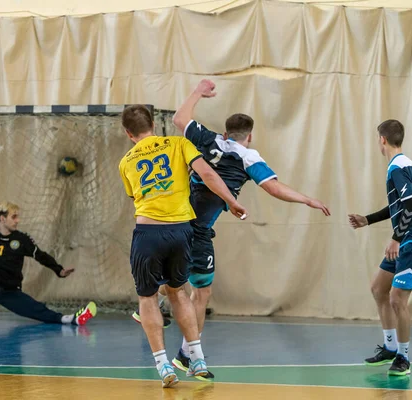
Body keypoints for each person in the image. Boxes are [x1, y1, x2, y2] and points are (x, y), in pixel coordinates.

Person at [134, 79, 330, 378]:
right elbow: (274, 188)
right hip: (196, 232)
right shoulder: (248, 156)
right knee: (201, 291)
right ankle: (188, 356)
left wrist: (198, 92)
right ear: (249, 136)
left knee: (179, 286)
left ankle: (157, 305)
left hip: (173, 222)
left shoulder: (208, 139)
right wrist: (307, 199)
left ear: (226, 133)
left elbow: (179, 119)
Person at [118, 105, 249, 387]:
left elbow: (135, 196)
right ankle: (198, 359)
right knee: (179, 293)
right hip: (181, 230)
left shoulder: (126, 161)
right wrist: (233, 201)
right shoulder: (179, 144)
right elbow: (210, 176)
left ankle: (163, 365)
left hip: (148, 232)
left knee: (148, 297)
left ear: (128, 133)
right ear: (153, 123)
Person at [0, 176, 96, 326]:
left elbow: (40, 256)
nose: (17, 220)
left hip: (9, 292)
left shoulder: (22, 240)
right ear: (2, 218)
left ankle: (72, 319)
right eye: (14, 217)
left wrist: (59, 270)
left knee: (37, 310)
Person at [349, 120, 412, 376]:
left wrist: (396, 238)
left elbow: (410, 206)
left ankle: (403, 358)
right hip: (406, 240)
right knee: (378, 289)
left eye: (378, 139)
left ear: (382, 140)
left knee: (397, 298)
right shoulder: (406, 164)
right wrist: (368, 219)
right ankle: (389, 347)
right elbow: (400, 204)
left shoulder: (397, 167)